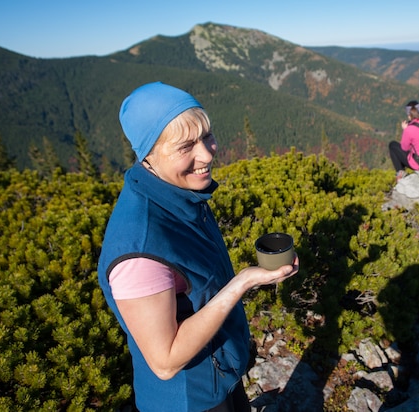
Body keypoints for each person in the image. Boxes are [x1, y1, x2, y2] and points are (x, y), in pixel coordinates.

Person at [97, 81, 299, 412]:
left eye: (207, 136)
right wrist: (243, 282)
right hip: (189, 399)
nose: (206, 154)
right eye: (186, 146)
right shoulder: (139, 249)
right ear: (148, 153)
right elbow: (165, 361)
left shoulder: (177, 195)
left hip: (218, 376)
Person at [388, 100, 419, 182]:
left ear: (409, 115)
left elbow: (404, 148)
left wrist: (405, 130)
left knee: (392, 145)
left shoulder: (409, 129)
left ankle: (400, 174)